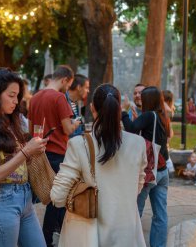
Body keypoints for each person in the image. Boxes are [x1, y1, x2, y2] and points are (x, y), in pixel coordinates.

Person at [50, 84, 147, 247]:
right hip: (127, 233)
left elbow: (58, 197)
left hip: (87, 234)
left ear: (92, 108)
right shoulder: (138, 143)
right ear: (119, 109)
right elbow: (138, 185)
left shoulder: (79, 144)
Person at [0, 67, 48, 247]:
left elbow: (17, 164)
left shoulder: (10, 122)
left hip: (25, 198)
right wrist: (25, 152)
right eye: (11, 95)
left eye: (17, 96)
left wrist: (33, 153)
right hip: (2, 200)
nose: (16, 101)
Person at [28, 65, 81, 247]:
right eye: (69, 84)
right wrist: (76, 123)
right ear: (65, 80)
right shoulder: (59, 98)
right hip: (57, 153)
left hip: (37, 153)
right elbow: (67, 129)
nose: (68, 88)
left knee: (42, 196)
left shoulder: (34, 98)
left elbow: (30, 129)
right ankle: (48, 239)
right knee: (56, 200)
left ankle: (45, 236)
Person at [122, 86, 171, 247]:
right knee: (160, 215)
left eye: (142, 97)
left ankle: (129, 243)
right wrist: (138, 120)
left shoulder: (149, 115)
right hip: (162, 171)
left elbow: (130, 128)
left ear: (148, 100)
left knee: (135, 211)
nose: (140, 99)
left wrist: (124, 111)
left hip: (149, 172)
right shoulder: (162, 115)